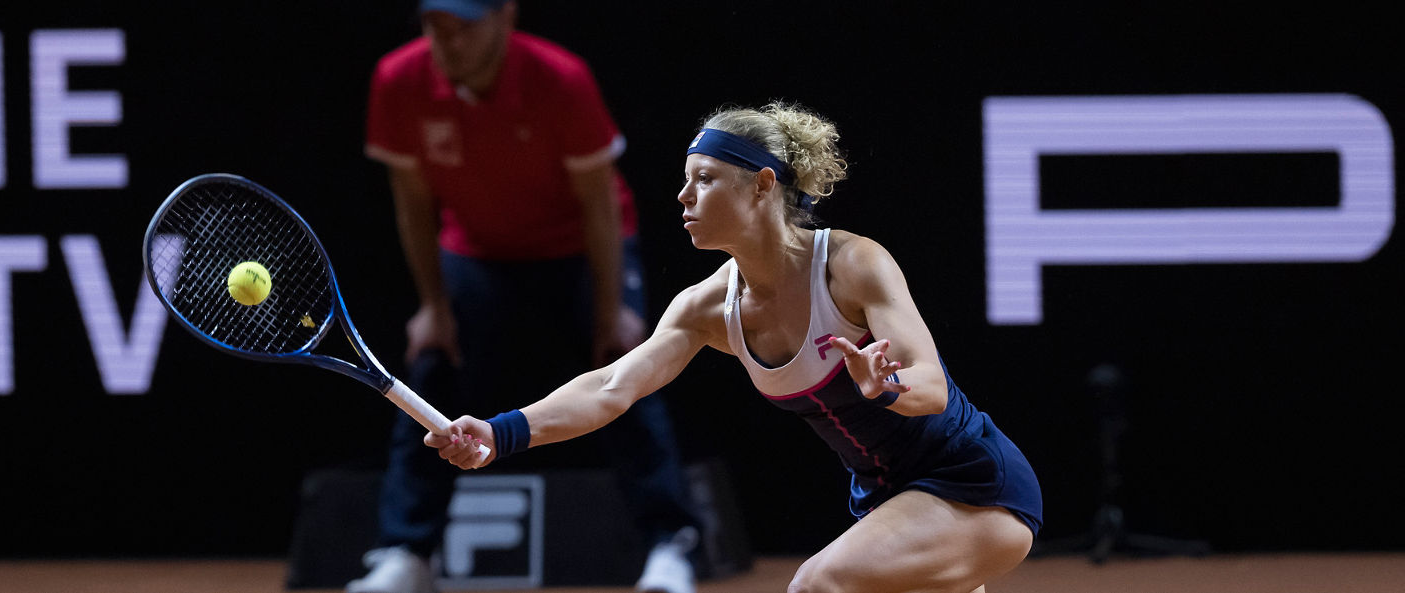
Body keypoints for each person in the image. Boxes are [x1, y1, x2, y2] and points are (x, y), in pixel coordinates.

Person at [430, 102, 1045, 593]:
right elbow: (611, 387)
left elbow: (930, 388)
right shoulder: (706, 309)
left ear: (762, 186)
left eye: (705, 179)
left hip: (972, 484)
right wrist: (500, 431)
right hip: (889, 503)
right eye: (684, 181)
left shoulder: (853, 265)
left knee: (817, 586)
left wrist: (887, 387)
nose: (683, 196)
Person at [348, 0, 701, 592]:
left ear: (506, 16)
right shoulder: (399, 79)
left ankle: (671, 546)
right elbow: (412, 203)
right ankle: (407, 553)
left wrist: (611, 306)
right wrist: (433, 308)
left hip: (577, 249)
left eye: (464, 25)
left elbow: (599, 204)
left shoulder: (560, 79)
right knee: (430, 367)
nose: (448, 41)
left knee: (626, 368)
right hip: (475, 252)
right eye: (435, 26)